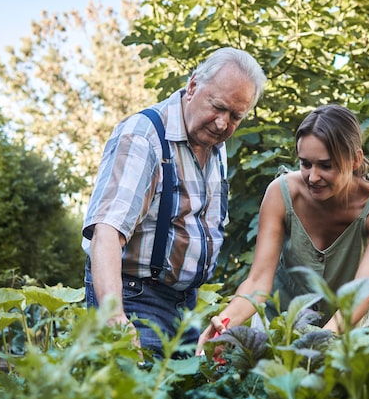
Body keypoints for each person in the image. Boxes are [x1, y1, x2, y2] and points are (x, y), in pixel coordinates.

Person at [83, 47, 267, 358]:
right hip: (134, 300)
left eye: (236, 116)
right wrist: (115, 318)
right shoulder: (144, 136)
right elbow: (107, 232)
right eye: (218, 107)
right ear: (193, 86)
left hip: (186, 307)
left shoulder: (214, 146)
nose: (223, 124)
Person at [196, 104, 369, 354]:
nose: (313, 177)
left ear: (355, 160)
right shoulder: (281, 192)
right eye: (305, 164)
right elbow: (259, 280)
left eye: (326, 166)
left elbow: (361, 292)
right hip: (278, 329)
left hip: (349, 332)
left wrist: (322, 342)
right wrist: (225, 325)